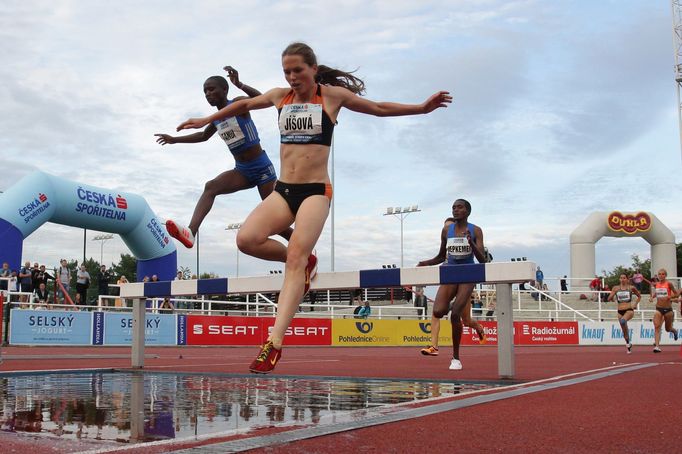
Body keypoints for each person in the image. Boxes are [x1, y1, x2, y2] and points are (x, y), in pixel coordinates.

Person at [177, 42, 451, 374]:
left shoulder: (332, 96)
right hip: (283, 190)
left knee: (295, 256)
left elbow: (378, 107)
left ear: (313, 70)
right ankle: (307, 264)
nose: (292, 77)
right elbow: (244, 104)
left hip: (315, 192)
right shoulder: (280, 96)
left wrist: (421, 108)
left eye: (298, 71)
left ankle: (274, 343)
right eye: (287, 72)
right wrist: (204, 119)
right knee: (246, 240)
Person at [156, 66, 292, 248]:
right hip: (242, 171)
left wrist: (240, 84)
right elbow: (203, 136)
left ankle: (303, 248)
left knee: (275, 221)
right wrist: (174, 140)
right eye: (205, 91)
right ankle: (191, 233)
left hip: (261, 167)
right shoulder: (216, 119)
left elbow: (262, 98)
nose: (208, 93)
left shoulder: (237, 105)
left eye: (211, 89)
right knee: (211, 187)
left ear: (225, 90)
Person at [415, 200, 486, 369]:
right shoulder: (447, 230)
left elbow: (482, 260)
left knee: (455, 316)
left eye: (459, 207)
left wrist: (472, 244)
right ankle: (456, 303)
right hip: (451, 272)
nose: (455, 210)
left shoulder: (476, 230)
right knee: (438, 311)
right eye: (453, 207)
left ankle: (456, 358)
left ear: (468, 211)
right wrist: (425, 263)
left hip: (468, 273)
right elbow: (441, 257)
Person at [607, 273, 641, 353]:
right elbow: (609, 298)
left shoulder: (631, 288)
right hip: (620, 311)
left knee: (623, 321)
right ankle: (628, 344)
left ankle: (628, 343)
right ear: (619, 279)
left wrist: (635, 304)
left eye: (624, 278)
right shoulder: (616, 288)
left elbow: (639, 296)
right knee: (624, 330)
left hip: (629, 310)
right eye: (621, 278)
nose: (622, 279)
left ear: (627, 279)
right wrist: (611, 297)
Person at [649, 268, 679, 353]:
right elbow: (656, 293)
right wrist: (652, 297)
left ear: (665, 275)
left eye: (663, 274)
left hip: (668, 309)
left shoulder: (669, 284)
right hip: (659, 308)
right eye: (659, 274)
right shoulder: (657, 284)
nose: (661, 275)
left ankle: (674, 331)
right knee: (657, 326)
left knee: (668, 329)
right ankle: (657, 347)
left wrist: (670, 297)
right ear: (658, 275)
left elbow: (676, 294)